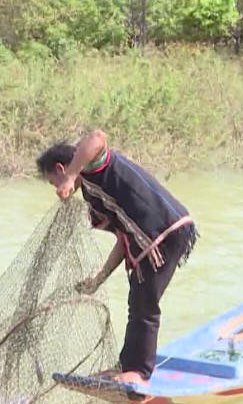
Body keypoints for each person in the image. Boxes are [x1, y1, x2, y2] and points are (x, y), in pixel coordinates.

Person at [36, 129, 199, 386]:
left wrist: (70, 177)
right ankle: (127, 366)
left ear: (60, 168)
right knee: (137, 300)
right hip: (152, 239)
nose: (57, 188)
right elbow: (125, 238)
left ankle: (139, 372)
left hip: (167, 231)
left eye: (53, 181)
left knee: (145, 305)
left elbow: (97, 137)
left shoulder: (91, 166)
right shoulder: (92, 193)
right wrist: (100, 277)